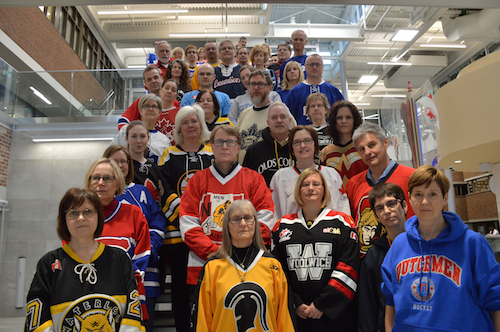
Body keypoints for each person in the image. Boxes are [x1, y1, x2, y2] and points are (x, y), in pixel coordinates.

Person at [381, 165, 500, 332]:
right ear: (410, 198)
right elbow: (391, 300)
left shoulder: (473, 244)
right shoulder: (399, 245)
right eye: (418, 194)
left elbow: (495, 300)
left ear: (444, 198)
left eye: (432, 194)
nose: (425, 201)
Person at [25, 188, 145, 332]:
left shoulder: (119, 260)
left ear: (98, 217)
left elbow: (133, 311)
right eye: (73, 213)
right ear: (64, 220)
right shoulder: (48, 264)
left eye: (88, 212)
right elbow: (37, 318)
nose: (81, 218)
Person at [179, 125, 275, 286]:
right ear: (211, 146)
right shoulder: (197, 180)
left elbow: (265, 221)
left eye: (230, 142)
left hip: (246, 264)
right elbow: (188, 224)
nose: (224, 146)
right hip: (204, 264)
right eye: (219, 142)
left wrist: (240, 250)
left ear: (239, 147)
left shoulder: (254, 179)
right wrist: (214, 252)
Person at [272, 168, 359, 332]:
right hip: (297, 314)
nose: (310, 188)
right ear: (298, 191)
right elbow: (277, 270)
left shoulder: (343, 222)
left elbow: (349, 266)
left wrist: (323, 304)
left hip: (335, 316)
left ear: (324, 189)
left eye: (316, 184)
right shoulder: (281, 226)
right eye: (305, 184)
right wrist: (294, 302)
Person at [192, 200, 296, 332]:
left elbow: (285, 319)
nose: (243, 224)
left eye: (248, 218)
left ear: (255, 224)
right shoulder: (212, 268)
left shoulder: (273, 266)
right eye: (236, 219)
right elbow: (201, 320)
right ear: (227, 226)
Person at [158, 105, 213, 332]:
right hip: (177, 235)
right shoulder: (168, 155)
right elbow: (164, 189)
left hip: (210, 235)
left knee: (210, 286)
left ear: (201, 124)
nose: (191, 126)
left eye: (194, 121)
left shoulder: (212, 154)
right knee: (180, 289)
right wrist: (189, 218)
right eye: (185, 122)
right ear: (179, 128)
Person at [103, 145, 166, 332]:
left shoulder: (142, 192)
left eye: (124, 161)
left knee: (143, 326)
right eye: (115, 161)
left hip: (145, 273)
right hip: (107, 275)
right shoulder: (96, 196)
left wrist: (148, 250)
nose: (120, 165)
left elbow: (157, 224)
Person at [84, 158, 151, 320]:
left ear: (118, 183)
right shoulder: (79, 215)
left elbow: (142, 256)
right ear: (89, 182)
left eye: (107, 178)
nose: (101, 183)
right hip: (87, 294)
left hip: (127, 294)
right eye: (96, 178)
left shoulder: (133, 214)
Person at [346, 122, 415, 256]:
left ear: (385, 143)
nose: (367, 152)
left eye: (372, 145)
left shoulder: (411, 177)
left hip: (406, 255)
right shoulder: (353, 184)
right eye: (362, 149)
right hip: (366, 262)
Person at [270, 125, 350, 221]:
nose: (302, 145)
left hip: (329, 233)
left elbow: (343, 209)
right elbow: (274, 214)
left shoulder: (332, 175)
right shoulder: (280, 177)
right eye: (297, 142)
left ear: (315, 144)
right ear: (291, 147)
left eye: (307, 140)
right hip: (292, 233)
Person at [358, 183, 407, 332]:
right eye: (380, 208)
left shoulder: (424, 244)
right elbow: (367, 307)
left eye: (391, 203)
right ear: (376, 216)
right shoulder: (373, 256)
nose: (387, 211)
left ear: (404, 206)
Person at [237, 70, 296, 163]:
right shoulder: (243, 115)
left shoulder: (282, 115)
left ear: (270, 88)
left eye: (260, 84)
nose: (256, 88)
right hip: (246, 172)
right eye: (252, 84)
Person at [242, 102, 294, 186]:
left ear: (290, 121)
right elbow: (245, 182)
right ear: (268, 123)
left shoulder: (299, 148)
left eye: (283, 117)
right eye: (274, 117)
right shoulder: (254, 151)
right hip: (263, 198)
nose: (279, 121)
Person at [320, 100, 367, 187]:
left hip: (363, 198)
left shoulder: (364, 147)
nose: (344, 121)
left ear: (354, 120)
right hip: (335, 199)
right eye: (339, 118)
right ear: (334, 121)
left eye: (348, 117)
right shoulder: (326, 152)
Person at [287, 55, 344, 125]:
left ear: (322, 67)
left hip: (329, 134)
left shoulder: (334, 91)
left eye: (318, 64)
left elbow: (342, 115)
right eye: (311, 64)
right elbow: (289, 118)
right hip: (303, 134)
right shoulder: (294, 92)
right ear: (305, 67)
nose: (314, 67)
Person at [112, 95, 171, 164]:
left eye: (154, 106)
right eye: (146, 106)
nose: (150, 109)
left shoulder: (164, 140)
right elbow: (110, 155)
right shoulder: (126, 131)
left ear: (159, 112)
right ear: (140, 111)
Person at [119, 66, 179, 131]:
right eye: (149, 79)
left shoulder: (175, 103)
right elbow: (123, 121)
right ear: (145, 84)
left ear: (162, 79)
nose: (153, 81)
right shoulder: (141, 102)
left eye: (156, 77)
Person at [125, 121, 163, 204]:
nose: (138, 141)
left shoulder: (155, 168)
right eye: (134, 136)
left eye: (142, 136)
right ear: (127, 139)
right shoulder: (123, 167)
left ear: (148, 139)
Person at [304, 93, 331, 161]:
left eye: (319, 105)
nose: (316, 108)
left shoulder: (334, 130)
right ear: (308, 111)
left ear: (326, 109)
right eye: (312, 106)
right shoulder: (304, 132)